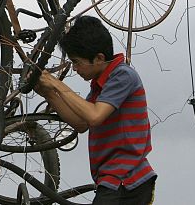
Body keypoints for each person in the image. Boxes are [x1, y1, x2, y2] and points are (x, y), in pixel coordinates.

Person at [35, 15, 156, 204]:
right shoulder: (101, 83)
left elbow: (94, 116)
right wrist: (49, 94)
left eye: (77, 62)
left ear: (99, 58)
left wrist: (56, 84)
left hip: (127, 181)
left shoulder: (123, 75)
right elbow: (81, 123)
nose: (75, 68)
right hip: (114, 181)